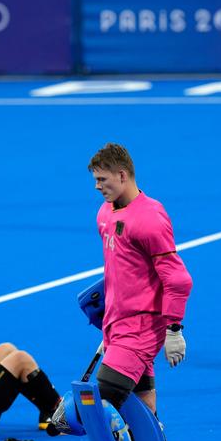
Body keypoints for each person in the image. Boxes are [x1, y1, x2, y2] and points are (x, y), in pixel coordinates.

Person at [88, 142, 193, 415]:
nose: (97, 186)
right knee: (143, 407)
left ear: (123, 175)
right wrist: (108, 324)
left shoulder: (150, 218)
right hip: (118, 325)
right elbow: (119, 271)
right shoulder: (104, 213)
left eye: (102, 179)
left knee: (101, 407)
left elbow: (178, 278)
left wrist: (174, 329)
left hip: (141, 327)